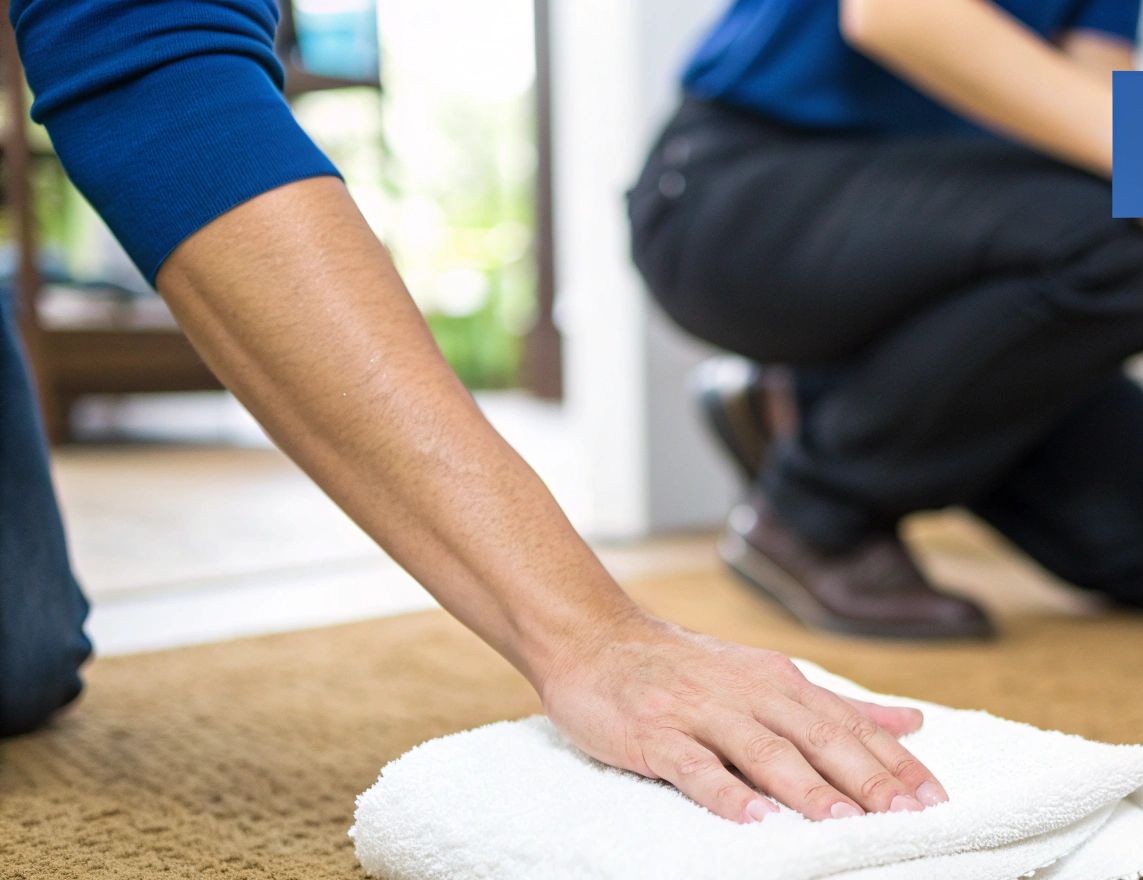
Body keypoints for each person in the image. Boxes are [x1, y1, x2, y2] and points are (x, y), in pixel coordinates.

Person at [0, 0, 950, 825]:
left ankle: (838, 419)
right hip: (766, 188)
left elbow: (1093, 96)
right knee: (18, 656)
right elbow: (151, 56)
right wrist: (590, 632)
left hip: (976, 222)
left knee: (1110, 520)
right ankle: (818, 489)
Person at [629, 0, 1143, 641]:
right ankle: (811, 511)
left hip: (947, 232)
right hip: (739, 191)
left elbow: (1094, 85)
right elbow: (898, 14)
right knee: (1127, 245)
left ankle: (798, 404)